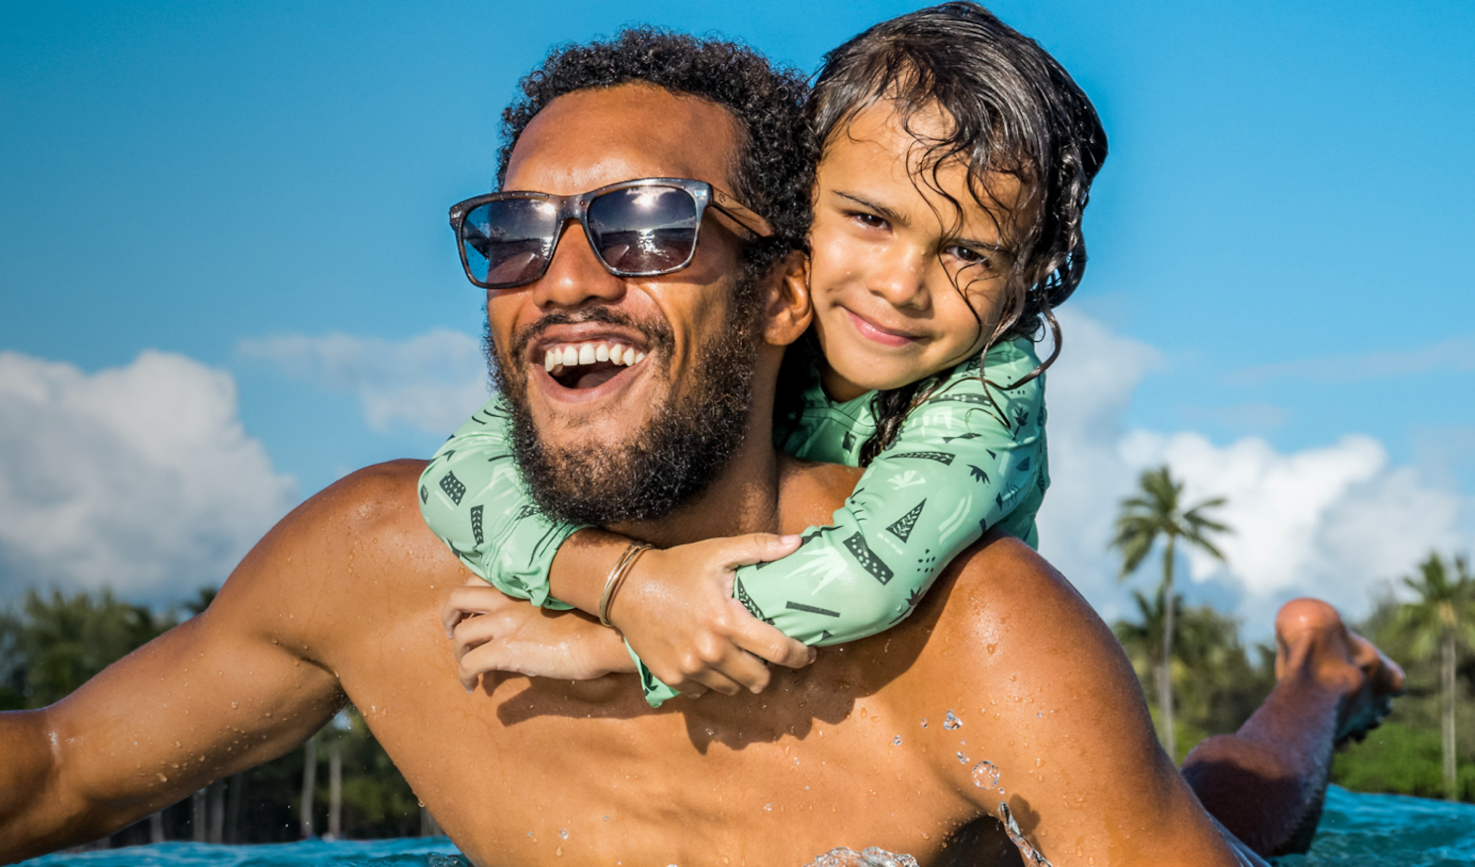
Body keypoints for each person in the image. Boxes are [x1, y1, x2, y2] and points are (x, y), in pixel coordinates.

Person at [0, 22, 1400, 867]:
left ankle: (1315, 671)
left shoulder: (969, 633)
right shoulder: (378, 565)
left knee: (1247, 806)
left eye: (645, 225)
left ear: (788, 291)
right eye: (515, 235)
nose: (566, 275)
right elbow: (55, 763)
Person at [422, 2, 1091, 707]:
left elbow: (864, 577)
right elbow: (455, 477)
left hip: (943, 713)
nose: (899, 286)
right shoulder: (768, 321)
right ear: (803, 210)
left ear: (1024, 274)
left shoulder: (991, 389)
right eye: (869, 219)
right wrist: (611, 578)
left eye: (967, 252)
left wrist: (616, 636)